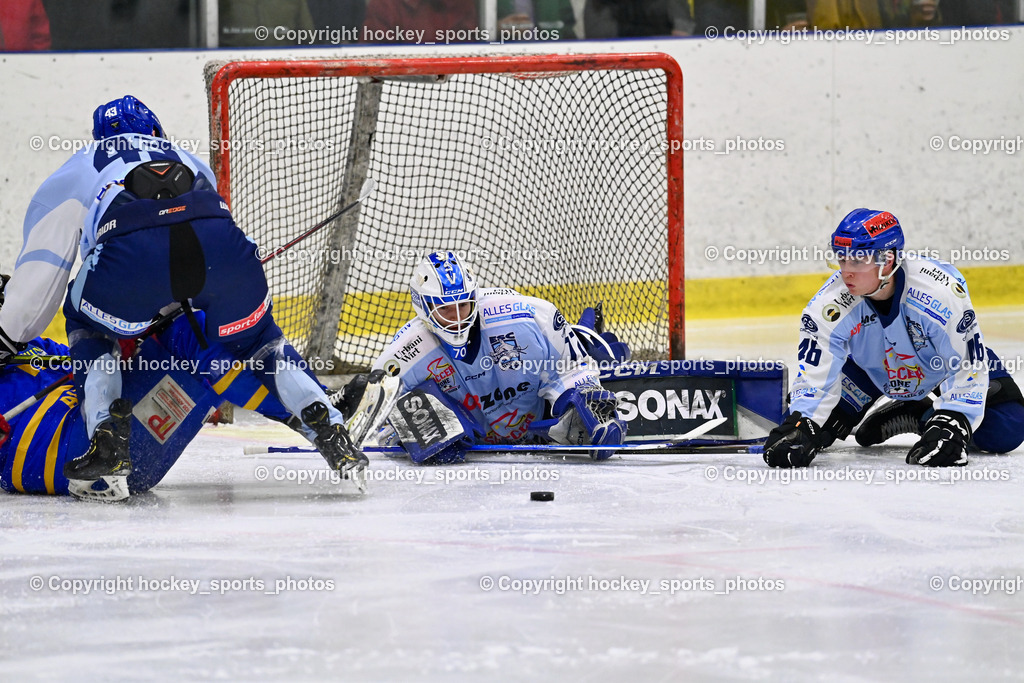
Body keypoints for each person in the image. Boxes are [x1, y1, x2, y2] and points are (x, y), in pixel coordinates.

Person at [0, 95, 364, 499]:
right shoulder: (186, 158)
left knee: (95, 328)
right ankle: (324, 418)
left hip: (109, 432)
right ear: (156, 131)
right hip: (224, 259)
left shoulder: (75, 171)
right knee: (248, 339)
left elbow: (35, 292)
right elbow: (217, 240)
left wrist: (11, 332)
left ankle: (106, 443)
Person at [763, 208, 1024, 469]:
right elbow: (814, 378)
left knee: (1007, 428)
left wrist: (954, 419)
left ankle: (920, 413)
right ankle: (918, 410)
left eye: (856, 261)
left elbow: (966, 362)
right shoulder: (828, 306)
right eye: (841, 259)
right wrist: (803, 421)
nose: (846, 272)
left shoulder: (939, 293)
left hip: (941, 365)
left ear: (887, 259)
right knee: (810, 434)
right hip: (870, 368)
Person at [0, 307, 328, 499]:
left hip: (118, 443)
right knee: (195, 334)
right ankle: (313, 414)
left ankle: (312, 408)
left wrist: (122, 350)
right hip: (81, 462)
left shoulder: (31, 349)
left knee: (203, 331)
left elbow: (86, 371)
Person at [370, 251, 629, 463]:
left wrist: (584, 395)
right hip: (477, 448)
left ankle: (588, 330)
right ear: (423, 307)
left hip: (538, 426)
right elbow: (381, 425)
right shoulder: (404, 355)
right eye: (446, 309)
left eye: (463, 304)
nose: (458, 319)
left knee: (605, 354)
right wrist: (411, 433)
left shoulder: (528, 315)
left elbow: (571, 365)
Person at [363, 0, 479, 43]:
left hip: (455, 87)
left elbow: (471, 59)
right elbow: (367, 63)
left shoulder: (462, 4)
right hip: (401, 87)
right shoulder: (385, 5)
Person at [497, 0, 577, 41]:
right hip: (501, 59)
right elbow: (486, 28)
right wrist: (497, 27)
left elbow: (568, 28)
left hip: (548, 61)